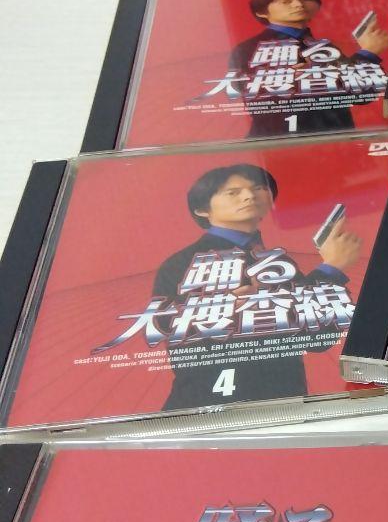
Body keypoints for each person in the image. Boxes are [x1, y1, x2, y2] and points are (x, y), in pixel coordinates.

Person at [152, 164, 363, 411]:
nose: (249, 196)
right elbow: (194, 349)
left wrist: (331, 269)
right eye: (232, 192)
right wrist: (331, 268)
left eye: (258, 188)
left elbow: (317, 338)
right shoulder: (189, 263)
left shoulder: (274, 261)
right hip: (213, 409)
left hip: (280, 404)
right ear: (201, 209)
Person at [228, 0, 388, 136]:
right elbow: (264, 103)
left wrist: (369, 54)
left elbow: (361, 94)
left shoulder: (323, 47)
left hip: (336, 139)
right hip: (285, 142)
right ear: (261, 12)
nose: (298, 5)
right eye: (285, 2)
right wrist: (368, 53)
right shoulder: (252, 48)